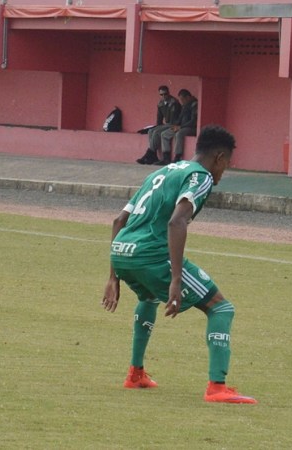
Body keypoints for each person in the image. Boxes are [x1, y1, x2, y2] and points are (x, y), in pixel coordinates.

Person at [103, 125, 257, 404]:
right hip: (151, 253)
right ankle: (217, 387)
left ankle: (135, 373)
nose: (223, 174)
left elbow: (118, 221)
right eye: (227, 165)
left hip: (122, 251)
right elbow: (177, 221)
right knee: (221, 307)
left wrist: (113, 276)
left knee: (148, 296)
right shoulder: (201, 176)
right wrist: (176, 279)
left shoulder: (162, 172)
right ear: (219, 157)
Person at [137, 85, 182, 164]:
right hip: (167, 124)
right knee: (151, 131)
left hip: (174, 123)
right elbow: (159, 118)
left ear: (168, 93)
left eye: (165, 94)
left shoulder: (174, 102)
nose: (164, 96)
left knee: (157, 132)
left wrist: (160, 128)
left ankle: (149, 153)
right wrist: (158, 126)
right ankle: (153, 155)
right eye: (161, 95)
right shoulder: (160, 103)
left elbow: (173, 118)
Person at [159, 89, 198, 165]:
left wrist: (181, 127)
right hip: (182, 126)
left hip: (192, 128)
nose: (181, 101)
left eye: (182, 99)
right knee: (164, 134)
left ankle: (177, 156)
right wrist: (175, 125)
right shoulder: (184, 105)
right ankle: (166, 157)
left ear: (188, 97)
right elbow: (180, 118)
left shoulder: (194, 104)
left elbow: (194, 121)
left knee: (179, 134)